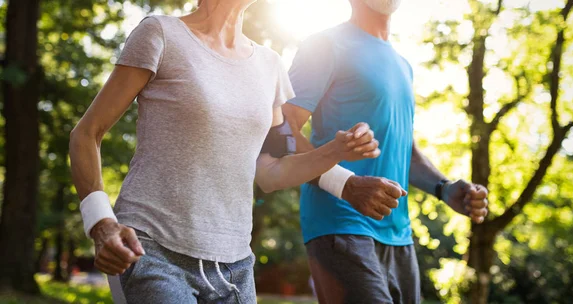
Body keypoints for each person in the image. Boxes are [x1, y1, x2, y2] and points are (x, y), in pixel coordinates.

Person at [68, 0, 384, 303]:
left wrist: (335, 151)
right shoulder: (161, 34)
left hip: (235, 267)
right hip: (152, 249)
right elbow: (86, 133)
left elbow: (272, 172)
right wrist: (101, 223)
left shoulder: (269, 65)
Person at [282, 0, 490, 303]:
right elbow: (281, 130)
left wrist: (443, 187)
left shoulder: (402, 65)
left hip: (399, 235)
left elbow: (405, 149)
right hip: (340, 224)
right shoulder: (324, 45)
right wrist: (345, 184)